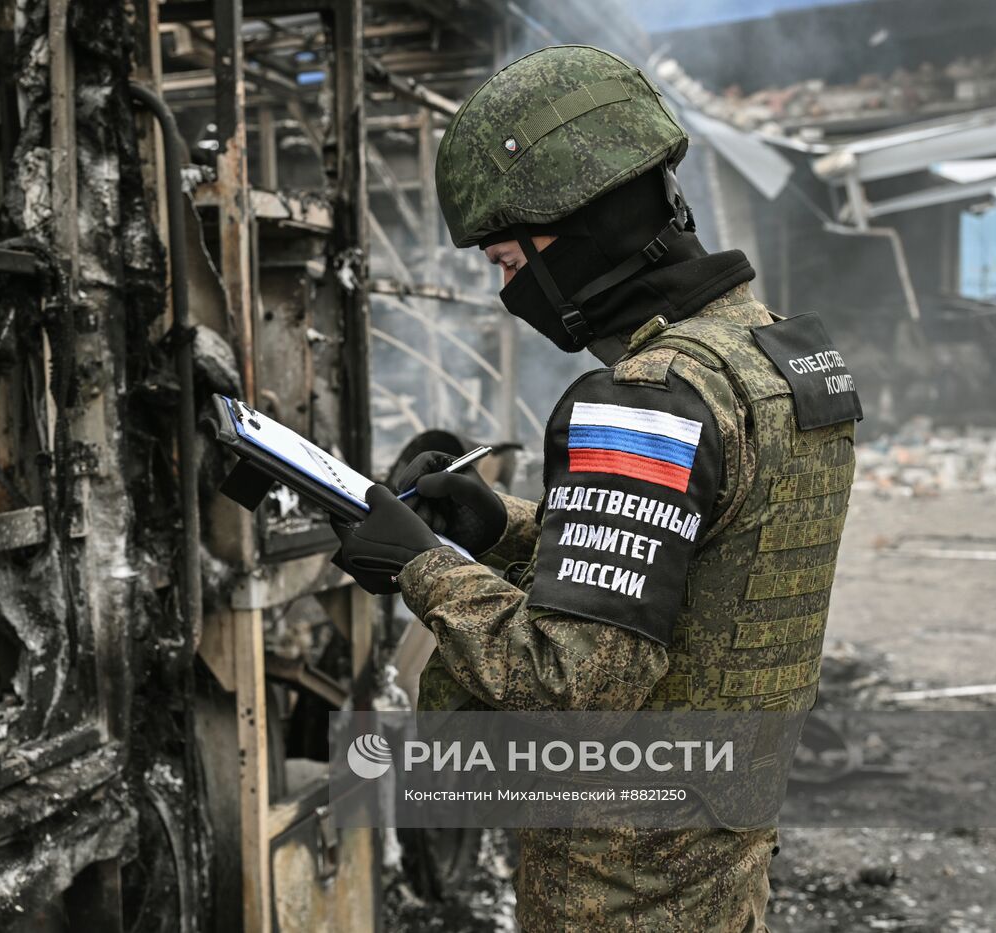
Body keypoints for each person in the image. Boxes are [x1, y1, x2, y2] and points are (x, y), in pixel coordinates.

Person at [332, 46, 862, 931]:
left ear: (571, 231)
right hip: (721, 851)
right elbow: (693, 562)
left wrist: (421, 566)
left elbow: (564, 680)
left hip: (621, 888)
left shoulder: (647, 396)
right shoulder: (782, 357)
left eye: (507, 261)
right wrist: (498, 523)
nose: (509, 291)